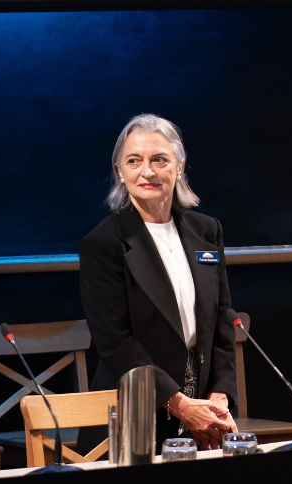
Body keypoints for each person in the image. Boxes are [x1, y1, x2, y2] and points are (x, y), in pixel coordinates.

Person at [76, 114, 238, 455]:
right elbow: (115, 342)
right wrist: (179, 404)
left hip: (203, 410)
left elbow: (223, 319)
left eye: (159, 159)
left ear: (179, 167)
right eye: (134, 161)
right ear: (120, 171)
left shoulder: (207, 231)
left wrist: (220, 394)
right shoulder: (103, 243)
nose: (146, 171)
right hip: (133, 415)